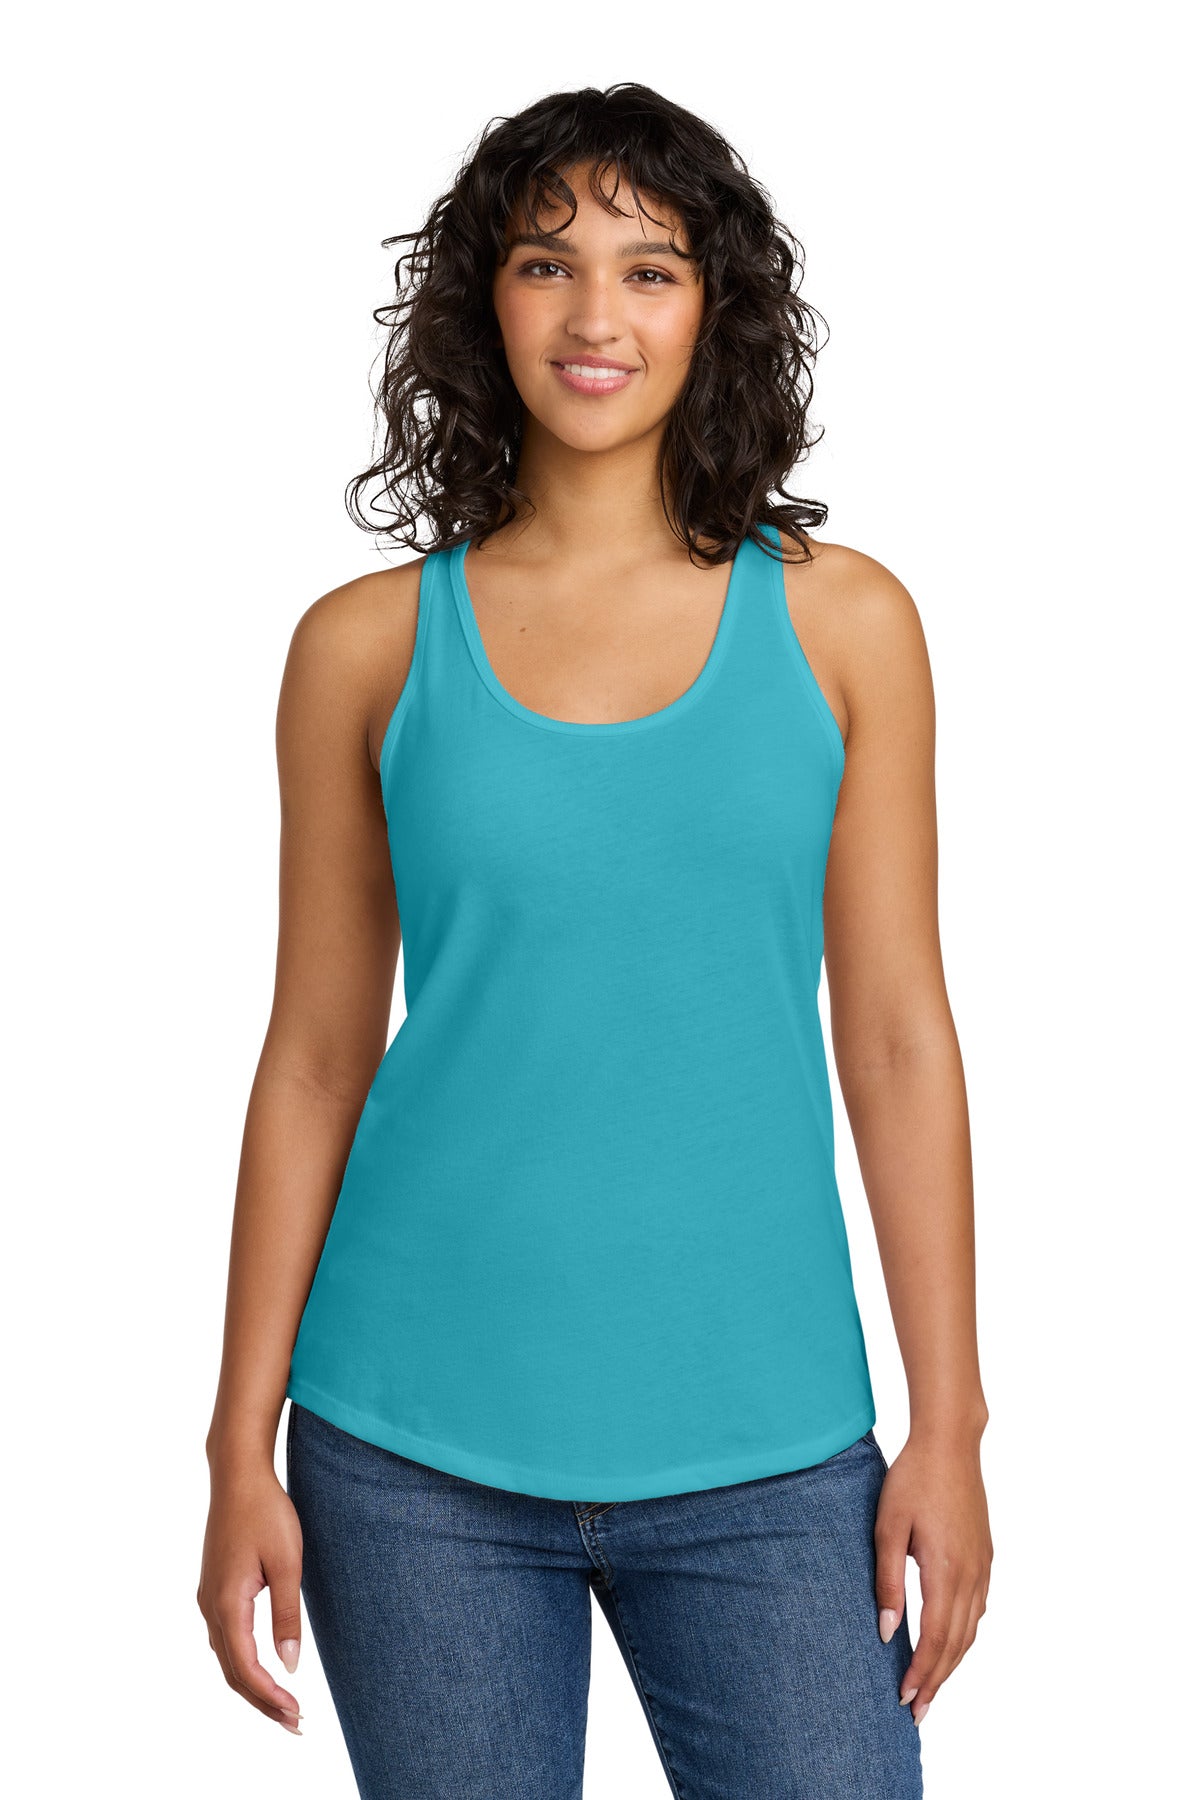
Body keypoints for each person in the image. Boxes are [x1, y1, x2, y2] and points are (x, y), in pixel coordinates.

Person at [197, 81, 992, 1799]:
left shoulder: (847, 624)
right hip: (409, 1449)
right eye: (548, 264)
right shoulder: (362, 649)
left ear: (717, 310)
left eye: (651, 269)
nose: (596, 315)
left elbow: (898, 1038)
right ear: (484, 302)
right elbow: (316, 1059)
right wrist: (235, 1442)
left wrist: (954, 1425)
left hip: (772, 1447)